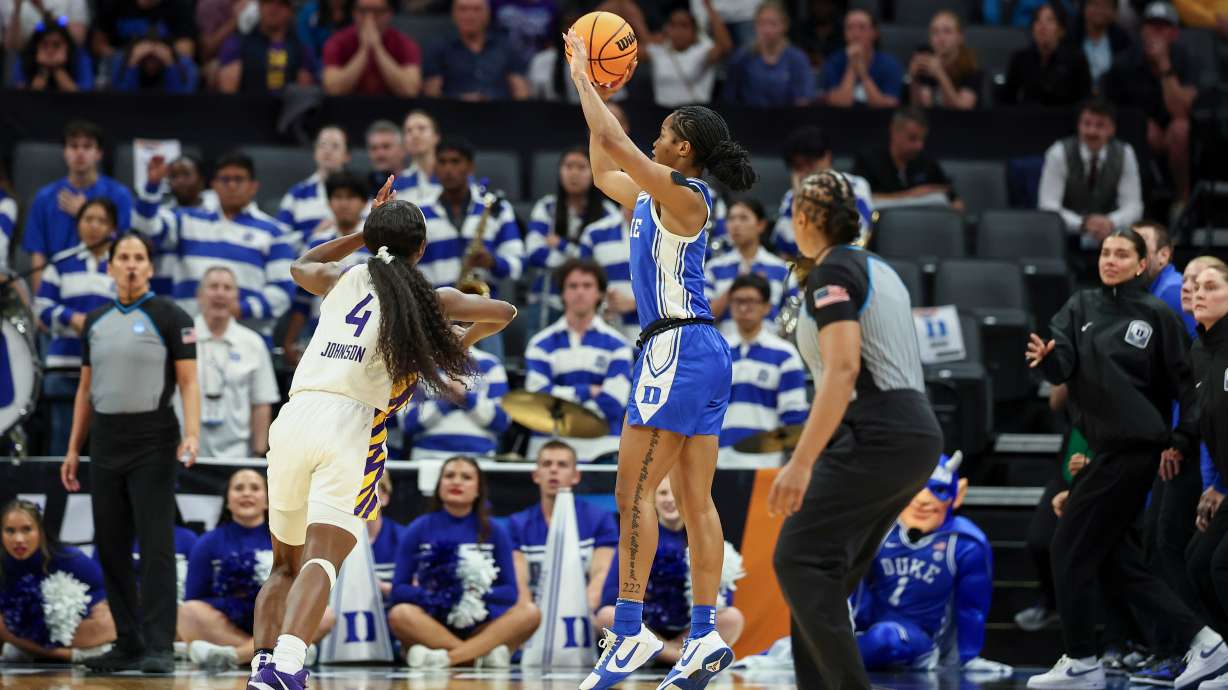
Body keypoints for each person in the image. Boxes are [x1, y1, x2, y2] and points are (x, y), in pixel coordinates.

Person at [246, 179, 517, 690]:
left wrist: (360, 234)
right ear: (422, 249)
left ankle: (262, 668)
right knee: (324, 556)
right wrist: (461, 340)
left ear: (371, 242)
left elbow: (298, 265)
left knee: (284, 563)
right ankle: (286, 664)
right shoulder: (429, 299)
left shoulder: (340, 278)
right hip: (348, 424)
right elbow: (505, 312)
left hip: (295, 414)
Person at [565, 26, 757, 688]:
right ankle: (702, 636)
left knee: (633, 491)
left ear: (686, 148)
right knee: (693, 499)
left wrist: (583, 76)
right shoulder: (652, 196)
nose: (655, 136)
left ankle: (628, 632)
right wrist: (594, 103)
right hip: (699, 348)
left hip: (675, 346)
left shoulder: (685, 195)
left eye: (668, 131)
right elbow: (601, 164)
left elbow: (617, 142)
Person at [1023, 229, 1228, 690]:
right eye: (1105, 252)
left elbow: (1186, 385)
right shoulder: (1079, 307)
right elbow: (1062, 362)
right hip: (1101, 448)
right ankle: (1206, 641)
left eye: (1121, 254)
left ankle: (1082, 660)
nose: (1110, 260)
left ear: (1142, 265)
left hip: (1136, 450)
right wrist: (1047, 360)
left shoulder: (1157, 314)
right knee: (1119, 564)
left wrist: (1180, 437)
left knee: (1068, 549)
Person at [765, 170, 942, 690]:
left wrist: (800, 463)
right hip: (910, 430)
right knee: (821, 578)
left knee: (797, 560)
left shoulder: (832, 273)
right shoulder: (878, 267)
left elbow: (843, 371)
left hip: (877, 429)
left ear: (802, 219)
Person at [59, 230, 200, 674]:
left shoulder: (170, 315)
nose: (132, 264)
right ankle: (128, 641)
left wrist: (191, 434)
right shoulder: (96, 320)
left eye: (140, 257)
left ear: (150, 267)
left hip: (153, 439)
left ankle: (159, 645)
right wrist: (71, 449)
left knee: (156, 545)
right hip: (105, 441)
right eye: (124, 257)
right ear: (111, 265)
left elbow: (190, 382)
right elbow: (84, 389)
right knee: (111, 543)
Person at [852, 453, 1009, 674]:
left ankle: (827, 655)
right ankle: (833, 647)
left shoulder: (965, 543)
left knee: (884, 638)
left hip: (920, 637)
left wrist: (968, 658)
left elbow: (972, 608)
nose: (923, 499)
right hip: (868, 623)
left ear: (957, 495)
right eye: (916, 488)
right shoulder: (880, 527)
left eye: (938, 490)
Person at [387, 456, 541, 669]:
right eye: (449, 476)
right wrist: (435, 596)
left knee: (530, 612)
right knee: (400, 614)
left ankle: (448, 658)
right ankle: (479, 656)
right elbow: (399, 590)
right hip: (432, 622)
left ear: (478, 489)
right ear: (439, 485)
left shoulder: (494, 531)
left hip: (482, 623)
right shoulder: (419, 528)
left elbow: (510, 592)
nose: (456, 482)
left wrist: (472, 595)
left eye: (466, 477)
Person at [180, 469, 335, 670]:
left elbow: (302, 587)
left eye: (255, 488)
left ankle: (233, 656)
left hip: (279, 616)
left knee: (326, 614)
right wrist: (234, 600)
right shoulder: (207, 543)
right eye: (238, 488)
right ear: (227, 500)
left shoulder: (289, 538)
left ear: (268, 500)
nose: (247, 493)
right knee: (187, 613)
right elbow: (195, 596)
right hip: (228, 621)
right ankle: (278, 655)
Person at [134, 152, 296, 327]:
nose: (232, 185)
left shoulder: (275, 232)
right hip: (190, 335)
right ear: (214, 185)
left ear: (253, 186)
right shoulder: (186, 220)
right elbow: (147, 226)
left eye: (239, 179)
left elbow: (283, 291)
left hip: (247, 338)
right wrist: (152, 185)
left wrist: (241, 309)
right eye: (225, 179)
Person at [595, 476, 745, 665]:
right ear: (653, 499)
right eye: (663, 493)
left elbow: (723, 600)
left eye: (676, 493)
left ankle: (659, 655)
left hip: (688, 630)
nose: (670, 499)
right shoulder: (636, 539)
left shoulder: (707, 539)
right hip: (645, 627)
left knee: (733, 618)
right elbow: (609, 596)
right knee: (607, 616)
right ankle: (682, 660)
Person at [525, 259, 633, 462]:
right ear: (563, 293)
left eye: (587, 285)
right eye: (572, 286)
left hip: (603, 450)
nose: (580, 292)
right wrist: (588, 391)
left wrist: (561, 396)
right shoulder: (540, 344)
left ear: (600, 293)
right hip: (550, 450)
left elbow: (614, 403)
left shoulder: (618, 345)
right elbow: (538, 402)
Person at [35, 199, 116, 456]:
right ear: (78, 224)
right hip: (65, 369)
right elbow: (41, 307)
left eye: (101, 220)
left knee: (105, 449)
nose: (93, 226)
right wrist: (72, 318)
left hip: (109, 371)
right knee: (63, 444)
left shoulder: (120, 265)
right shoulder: (61, 262)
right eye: (87, 219)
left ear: (112, 227)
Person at [1102, 1, 1197, 204]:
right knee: (1140, 128)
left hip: (1175, 131)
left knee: (1180, 129)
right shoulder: (1123, 62)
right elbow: (1109, 109)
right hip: (1135, 130)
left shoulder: (1187, 59)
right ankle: (1136, 202)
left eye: (1162, 27)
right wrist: (1139, 123)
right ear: (1142, 31)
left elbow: (1180, 110)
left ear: (1174, 33)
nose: (1156, 33)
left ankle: (1183, 200)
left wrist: (1164, 65)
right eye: (1151, 27)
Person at [21, 120, 132, 294]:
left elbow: (124, 247)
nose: (80, 153)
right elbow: (38, 255)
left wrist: (84, 213)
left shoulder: (119, 195)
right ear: (64, 152)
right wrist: (40, 304)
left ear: (99, 154)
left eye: (87, 147)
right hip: (58, 286)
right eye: (73, 146)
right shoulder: (44, 198)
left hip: (106, 287)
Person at [0, 500, 115, 662]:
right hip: (25, 638)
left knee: (107, 620)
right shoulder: (3, 565)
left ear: (40, 531)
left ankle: (70, 655)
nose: (18, 539)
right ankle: (71, 656)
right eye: (10, 531)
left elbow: (110, 618)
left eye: (27, 529)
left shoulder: (70, 558)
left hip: (76, 636)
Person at [508, 441, 619, 610]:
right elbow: (520, 587)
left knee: (609, 615)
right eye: (546, 464)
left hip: (584, 612)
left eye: (562, 465)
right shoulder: (517, 524)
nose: (553, 470)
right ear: (536, 475)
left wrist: (576, 614)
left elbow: (601, 577)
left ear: (576, 476)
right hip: (535, 617)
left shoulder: (599, 519)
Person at [1185, 262, 1228, 690]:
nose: (1199, 293)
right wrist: (1214, 485)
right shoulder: (1199, 351)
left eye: (1211, 286)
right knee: (1197, 563)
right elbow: (1209, 430)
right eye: (1195, 287)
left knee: (1221, 565)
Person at [716, 273, 808, 468]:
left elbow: (794, 418)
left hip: (766, 464)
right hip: (716, 464)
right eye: (738, 301)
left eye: (751, 301)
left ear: (767, 307)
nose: (743, 307)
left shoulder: (785, 354)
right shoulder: (716, 353)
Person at [524, 147, 622, 330]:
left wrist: (561, 245)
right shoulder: (546, 207)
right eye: (568, 166)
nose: (574, 173)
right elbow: (535, 254)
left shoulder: (608, 212)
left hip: (591, 304)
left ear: (593, 172)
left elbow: (601, 262)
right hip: (547, 301)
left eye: (581, 167)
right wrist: (580, 257)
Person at [416, 139, 524, 298]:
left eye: (455, 162)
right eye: (442, 162)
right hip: (434, 309)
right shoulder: (419, 212)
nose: (448, 169)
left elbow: (518, 264)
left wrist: (494, 263)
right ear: (435, 168)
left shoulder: (496, 208)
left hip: (484, 308)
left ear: (470, 167)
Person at [283, 169, 369, 365]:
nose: (344, 203)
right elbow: (302, 296)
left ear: (364, 202)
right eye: (338, 197)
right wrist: (291, 338)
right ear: (329, 202)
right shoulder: (318, 241)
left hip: (365, 335)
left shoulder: (377, 240)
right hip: (320, 330)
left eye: (351, 197)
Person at [192, 267, 280, 459]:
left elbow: (261, 403)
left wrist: (258, 454)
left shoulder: (253, 343)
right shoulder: (182, 337)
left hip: (237, 456)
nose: (220, 293)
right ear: (199, 295)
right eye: (213, 286)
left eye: (227, 288)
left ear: (236, 296)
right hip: (187, 453)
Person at [1037, 99, 1143, 248]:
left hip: (1112, 236)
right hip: (1067, 237)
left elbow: (1134, 206)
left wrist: (1110, 222)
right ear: (1078, 125)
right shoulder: (1058, 152)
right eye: (1087, 124)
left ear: (1112, 129)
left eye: (1100, 125)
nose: (1092, 131)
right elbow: (1047, 206)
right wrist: (1082, 223)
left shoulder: (1125, 153)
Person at [773, 125, 874, 258]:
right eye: (798, 167)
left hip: (845, 266)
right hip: (803, 272)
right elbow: (785, 244)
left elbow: (855, 238)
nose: (805, 172)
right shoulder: (792, 197)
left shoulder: (856, 187)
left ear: (827, 156)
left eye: (810, 163)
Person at [400, 342, 509, 461]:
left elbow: (502, 421)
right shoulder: (417, 364)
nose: (455, 327)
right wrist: (446, 400)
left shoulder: (489, 364)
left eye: (461, 323)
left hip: (480, 459)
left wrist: (466, 397)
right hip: (427, 457)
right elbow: (407, 423)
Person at [706, 199, 792, 338]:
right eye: (731, 218)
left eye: (743, 218)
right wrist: (736, 287)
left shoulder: (781, 270)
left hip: (768, 355)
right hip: (724, 353)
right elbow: (703, 317)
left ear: (761, 225)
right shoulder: (714, 268)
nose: (736, 225)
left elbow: (791, 319)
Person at [853, 107, 962, 211]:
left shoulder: (927, 163)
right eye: (912, 138)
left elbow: (955, 201)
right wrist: (911, 195)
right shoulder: (868, 160)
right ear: (894, 131)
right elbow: (858, 200)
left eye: (922, 139)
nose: (919, 146)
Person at [423, 0, 529, 100]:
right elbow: (432, 93)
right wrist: (460, 99)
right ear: (453, 14)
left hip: (501, 112)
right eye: (463, 9)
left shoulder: (507, 46)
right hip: (451, 112)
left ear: (488, 14)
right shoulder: (438, 47)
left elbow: (521, 91)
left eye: (476, 9)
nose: (470, 16)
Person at [640, 0, 732, 108]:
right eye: (673, 25)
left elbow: (725, 46)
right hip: (662, 114)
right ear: (667, 29)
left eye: (684, 26)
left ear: (694, 31)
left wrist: (709, 8)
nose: (678, 31)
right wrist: (646, 36)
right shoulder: (659, 49)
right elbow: (627, 53)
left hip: (694, 114)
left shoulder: (702, 50)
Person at [723, 1, 815, 107]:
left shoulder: (797, 59)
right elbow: (730, 99)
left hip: (789, 119)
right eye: (761, 23)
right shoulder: (741, 58)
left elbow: (804, 99)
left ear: (784, 25)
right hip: (749, 119)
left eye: (773, 24)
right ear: (755, 25)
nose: (767, 30)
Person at [321, 0, 420, 96]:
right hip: (347, 108)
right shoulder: (336, 42)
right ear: (353, 13)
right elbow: (332, 89)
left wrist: (377, 48)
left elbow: (410, 90)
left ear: (389, 13)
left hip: (393, 109)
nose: (370, 18)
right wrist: (364, 49)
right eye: (363, 11)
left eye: (377, 11)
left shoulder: (405, 43)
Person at [1000, 3, 1092, 107]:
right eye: (1037, 21)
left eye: (1050, 20)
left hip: (1064, 119)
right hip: (1028, 119)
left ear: (1061, 30)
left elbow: (1084, 100)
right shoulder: (1019, 59)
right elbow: (1007, 99)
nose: (1042, 26)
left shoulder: (1076, 59)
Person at [216, 0, 316, 94]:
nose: (273, 8)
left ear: (291, 12)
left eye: (281, 3)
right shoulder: (238, 43)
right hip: (247, 105)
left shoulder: (300, 48)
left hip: (289, 108)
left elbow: (305, 87)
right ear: (259, 6)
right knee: (230, 72)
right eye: (267, 1)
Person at [277, 126, 352, 248]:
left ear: (347, 156)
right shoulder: (296, 194)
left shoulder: (359, 194)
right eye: (322, 145)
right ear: (315, 152)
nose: (327, 151)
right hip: (305, 261)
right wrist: (311, 233)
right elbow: (279, 240)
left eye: (335, 146)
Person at [819, 8, 902, 109]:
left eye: (862, 27)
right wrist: (852, 66)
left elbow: (886, 108)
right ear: (844, 34)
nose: (856, 34)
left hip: (879, 122)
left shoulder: (890, 65)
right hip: (841, 122)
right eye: (849, 28)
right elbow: (841, 103)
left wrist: (863, 74)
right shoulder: (833, 62)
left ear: (874, 33)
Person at [907, 10, 980, 111]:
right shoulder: (924, 64)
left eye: (947, 31)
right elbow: (917, 111)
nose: (941, 38)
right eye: (935, 32)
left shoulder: (971, 70)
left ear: (960, 37)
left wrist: (940, 74)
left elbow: (963, 111)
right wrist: (914, 79)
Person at [15, 19, 92, 91]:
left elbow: (82, 99)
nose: (50, 50)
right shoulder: (24, 59)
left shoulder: (79, 58)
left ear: (67, 46)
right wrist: (44, 69)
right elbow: (24, 99)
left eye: (56, 45)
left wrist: (57, 68)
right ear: (36, 46)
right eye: (45, 45)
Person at [108, 34, 198, 92]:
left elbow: (183, 100)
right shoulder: (123, 61)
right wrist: (133, 63)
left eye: (155, 59)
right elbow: (120, 99)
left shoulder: (182, 64)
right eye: (147, 59)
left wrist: (170, 64)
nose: (151, 65)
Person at [1071, 0, 1132, 83]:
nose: (1100, 10)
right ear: (1084, 7)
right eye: (1095, 4)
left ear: (1114, 12)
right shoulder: (1070, 37)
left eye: (1106, 6)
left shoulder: (1123, 41)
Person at [396, 109, 442, 205]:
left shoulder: (454, 175)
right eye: (409, 131)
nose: (415, 135)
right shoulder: (398, 184)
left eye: (421, 128)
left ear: (436, 137)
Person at [1, 0, 88, 50]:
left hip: (67, 58)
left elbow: (78, 38)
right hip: (28, 59)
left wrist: (42, 9)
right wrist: (17, 10)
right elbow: (12, 47)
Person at [364, 119, 406, 197]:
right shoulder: (362, 190)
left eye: (386, 146)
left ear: (402, 150)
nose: (380, 154)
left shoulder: (417, 183)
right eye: (374, 148)